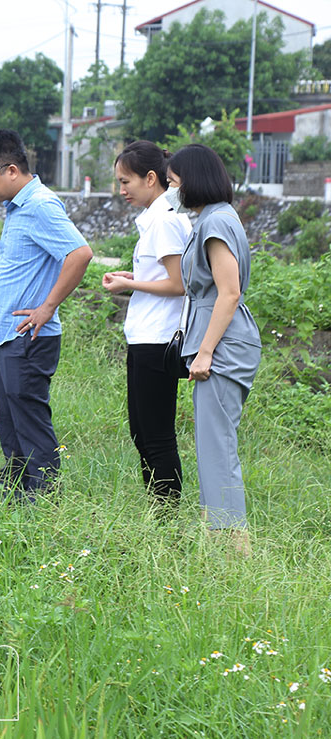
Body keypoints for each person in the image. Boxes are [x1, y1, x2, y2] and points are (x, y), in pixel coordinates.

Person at [0, 129, 93, 498]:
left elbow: (79, 253)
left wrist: (47, 307)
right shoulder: (18, 207)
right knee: (11, 426)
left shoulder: (40, 204)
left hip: (28, 337)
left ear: (9, 170)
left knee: (31, 427)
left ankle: (42, 504)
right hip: (10, 336)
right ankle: (18, 502)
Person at [168, 144, 261, 555]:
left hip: (222, 343)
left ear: (193, 180)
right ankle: (216, 535)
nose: (174, 191)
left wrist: (205, 352)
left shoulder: (216, 223)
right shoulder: (216, 217)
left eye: (174, 183)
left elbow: (229, 292)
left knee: (217, 443)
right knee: (210, 441)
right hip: (220, 340)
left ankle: (234, 547)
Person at [101, 141, 191, 503]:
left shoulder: (165, 221)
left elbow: (178, 284)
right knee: (142, 431)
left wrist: (130, 283)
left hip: (158, 341)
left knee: (155, 435)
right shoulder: (157, 219)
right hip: (144, 338)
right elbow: (164, 275)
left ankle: (166, 516)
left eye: (126, 182)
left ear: (151, 178)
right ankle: (160, 511)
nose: (122, 190)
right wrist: (135, 275)